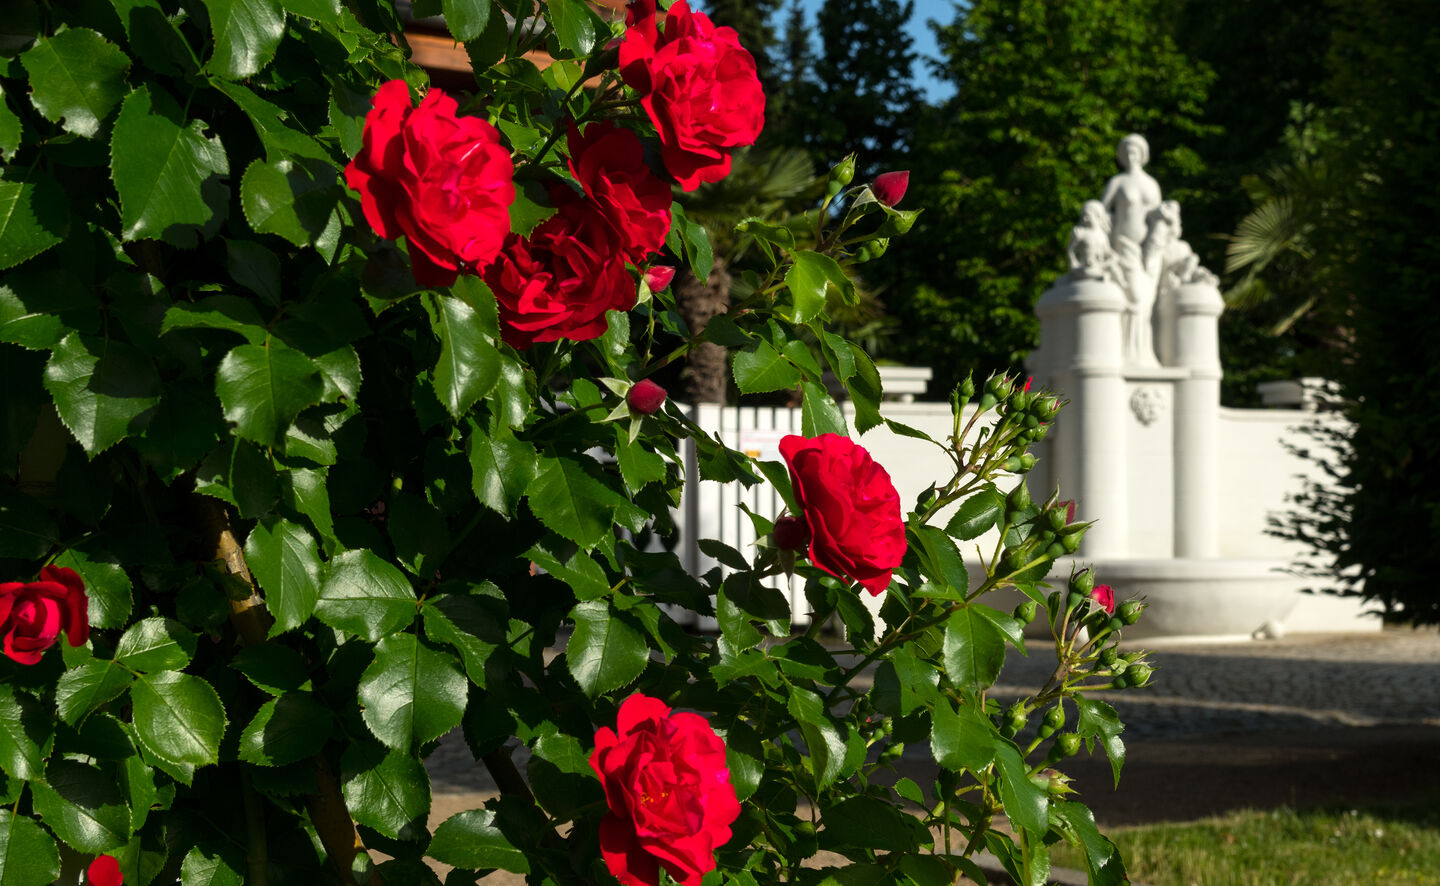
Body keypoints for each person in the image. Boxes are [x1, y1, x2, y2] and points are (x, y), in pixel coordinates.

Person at [1100, 134, 1162, 251]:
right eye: (1127, 153)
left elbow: (1159, 214)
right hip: (1122, 241)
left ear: (1142, 155)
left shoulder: (1152, 184)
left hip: (1149, 243)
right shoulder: (1117, 182)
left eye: (1134, 153)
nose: (1130, 157)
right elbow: (1101, 210)